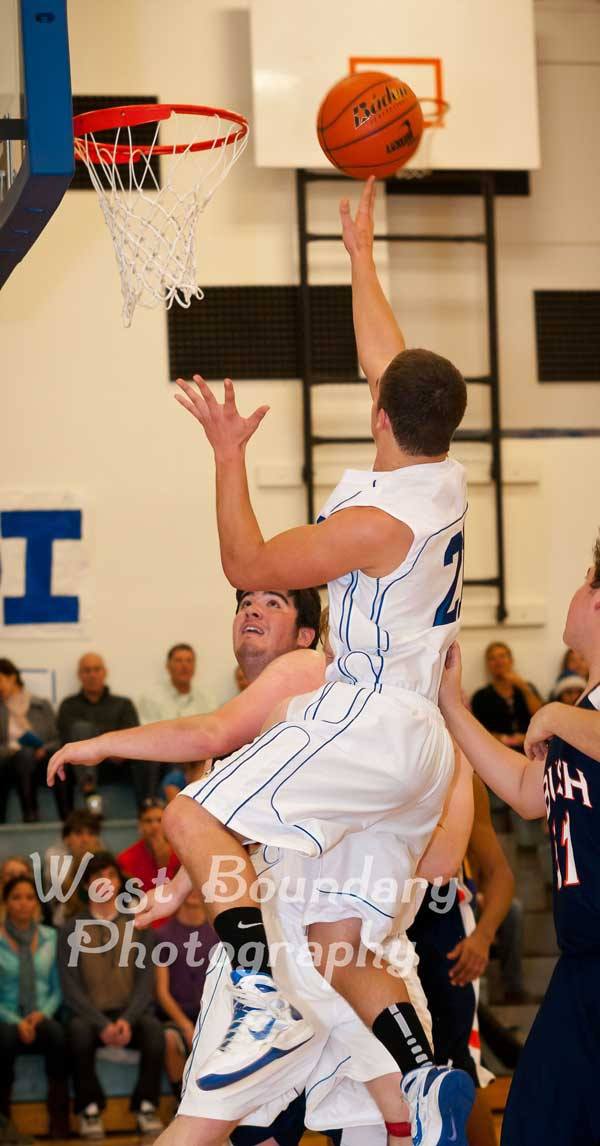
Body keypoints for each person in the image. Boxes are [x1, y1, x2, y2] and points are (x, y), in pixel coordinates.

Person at [49, 177, 473, 1141]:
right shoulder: (443, 475)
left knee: (195, 812)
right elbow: (388, 364)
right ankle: (424, 1078)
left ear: (381, 418)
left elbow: (245, 562)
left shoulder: (376, 523)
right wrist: (360, 256)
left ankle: (246, 989)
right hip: (419, 752)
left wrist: (229, 454)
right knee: (336, 943)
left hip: (366, 717)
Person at [438, 535, 600, 1146]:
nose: (576, 593)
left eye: (587, 580)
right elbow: (530, 794)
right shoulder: (583, 711)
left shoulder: (574, 717)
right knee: (538, 1121)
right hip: (583, 959)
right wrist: (452, 705)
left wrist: (554, 716)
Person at [408, 776, 515, 1146]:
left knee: (457, 1069)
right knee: (359, 1074)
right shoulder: (351, 752)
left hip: (441, 934)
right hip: (373, 932)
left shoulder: (461, 774)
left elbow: (500, 874)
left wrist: (483, 937)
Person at [58, 852, 165, 1140]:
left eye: (110, 874)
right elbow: (70, 986)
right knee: (77, 1032)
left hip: (131, 1013)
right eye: (96, 876)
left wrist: (128, 1019)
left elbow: (146, 981)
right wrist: (101, 1024)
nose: (104, 882)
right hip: (91, 1016)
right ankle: (90, 1109)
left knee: (156, 1032)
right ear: (86, 885)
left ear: (119, 881)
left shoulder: (138, 925)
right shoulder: (70, 929)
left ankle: (146, 1106)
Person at [0, 875, 69, 1142]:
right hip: (6, 1018)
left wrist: (44, 1013)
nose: (23, 904)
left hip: (42, 1015)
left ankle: (59, 1122)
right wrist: (16, 1021)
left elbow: (58, 988)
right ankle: (4, 1125)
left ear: (37, 904)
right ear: (6, 903)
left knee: (58, 1036)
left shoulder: (51, 937)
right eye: (16, 897)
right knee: (3, 1039)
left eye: (30, 897)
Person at [57, 652, 140, 808]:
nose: (92, 675)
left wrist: (106, 747)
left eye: (96, 669)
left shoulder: (123, 704)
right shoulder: (68, 705)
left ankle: (147, 808)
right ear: (79, 675)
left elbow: (132, 735)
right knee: (81, 730)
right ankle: (89, 792)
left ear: (105, 672)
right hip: (81, 764)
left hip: (117, 761)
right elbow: (66, 738)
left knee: (146, 753)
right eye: (87, 670)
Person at [155, 889, 218, 1093]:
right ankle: (180, 1101)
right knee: (170, 1039)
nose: (191, 891)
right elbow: (162, 992)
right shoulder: (162, 935)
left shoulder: (218, 933)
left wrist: (205, 1024)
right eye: (186, 885)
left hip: (212, 1013)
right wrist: (185, 1025)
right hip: (176, 1015)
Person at [0, 658, 65, 822]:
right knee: (24, 754)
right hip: (10, 764)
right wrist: (14, 747)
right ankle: (30, 813)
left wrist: (44, 749)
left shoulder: (40, 705)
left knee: (59, 762)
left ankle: (68, 817)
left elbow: (56, 740)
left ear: (12, 678)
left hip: (43, 759)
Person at [117, 797, 180, 927]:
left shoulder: (182, 854)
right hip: (143, 927)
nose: (154, 826)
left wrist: (164, 862)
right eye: (148, 821)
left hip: (178, 927)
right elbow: (127, 904)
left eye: (159, 820)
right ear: (140, 825)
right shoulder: (125, 859)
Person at [471, 643, 542, 752]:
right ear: (488, 664)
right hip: (497, 751)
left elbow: (541, 716)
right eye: (492, 658)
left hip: (531, 749)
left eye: (502, 656)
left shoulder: (527, 688)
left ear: (511, 660)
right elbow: (476, 731)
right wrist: (502, 739)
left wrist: (523, 687)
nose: (498, 661)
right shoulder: (480, 696)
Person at [43, 808, 104, 926]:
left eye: (91, 834)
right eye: (78, 833)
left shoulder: (104, 860)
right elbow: (67, 891)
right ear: (66, 839)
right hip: (64, 921)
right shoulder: (54, 858)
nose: (85, 840)